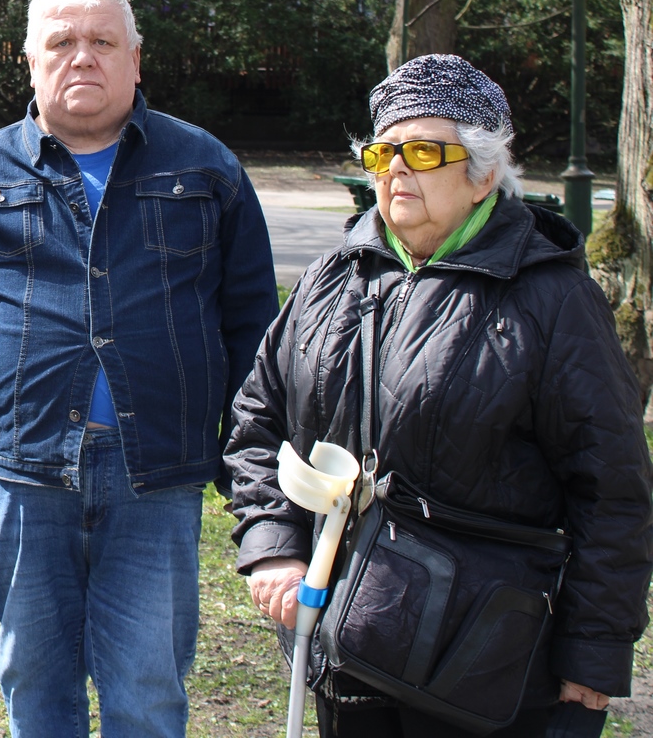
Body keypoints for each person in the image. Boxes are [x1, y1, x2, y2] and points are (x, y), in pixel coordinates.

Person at [0, 0, 280, 738]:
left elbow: (253, 328)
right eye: (62, 43)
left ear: (137, 59)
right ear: (30, 60)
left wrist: (252, 472)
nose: (83, 58)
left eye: (103, 42)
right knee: (36, 684)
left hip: (158, 473)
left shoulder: (205, 169)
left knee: (146, 685)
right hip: (26, 468)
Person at [226, 54, 653, 737]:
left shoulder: (554, 301)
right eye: (383, 150)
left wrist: (594, 653)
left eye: (424, 151)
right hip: (346, 639)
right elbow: (257, 421)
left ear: (485, 171)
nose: (396, 168)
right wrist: (274, 542)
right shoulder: (333, 279)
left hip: (490, 663)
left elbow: (613, 490)